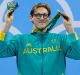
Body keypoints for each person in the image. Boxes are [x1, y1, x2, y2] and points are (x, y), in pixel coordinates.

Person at [0, 3, 80, 75]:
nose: (42, 18)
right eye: (38, 15)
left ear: (49, 18)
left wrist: (70, 29)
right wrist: (7, 25)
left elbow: (78, 54)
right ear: (31, 18)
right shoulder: (20, 40)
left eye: (45, 15)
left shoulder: (61, 39)